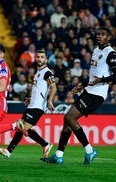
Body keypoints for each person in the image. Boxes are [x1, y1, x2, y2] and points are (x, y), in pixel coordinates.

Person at [43, 27, 116, 165]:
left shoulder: (110, 53)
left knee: (69, 117)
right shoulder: (95, 51)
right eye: (98, 34)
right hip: (89, 90)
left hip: (97, 94)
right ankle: (58, 155)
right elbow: (93, 75)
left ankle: (89, 150)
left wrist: (101, 80)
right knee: (67, 122)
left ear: (109, 38)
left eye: (103, 34)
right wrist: (83, 84)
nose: (99, 36)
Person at [0, 50, 57, 159]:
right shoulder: (38, 73)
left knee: (24, 128)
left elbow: (53, 87)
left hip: (38, 106)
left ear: (46, 60)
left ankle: (45, 144)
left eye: (42, 57)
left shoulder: (47, 72)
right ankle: (9, 151)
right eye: (37, 57)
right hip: (32, 104)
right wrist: (29, 98)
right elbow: (38, 89)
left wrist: (49, 101)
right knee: (20, 128)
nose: (39, 59)